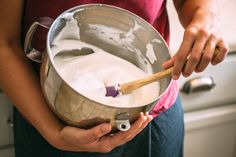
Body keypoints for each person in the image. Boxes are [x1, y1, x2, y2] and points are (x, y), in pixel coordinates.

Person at [0, 0, 228, 157]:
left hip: (150, 123)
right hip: (47, 119)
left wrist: (205, 17)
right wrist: (54, 134)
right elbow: (5, 44)